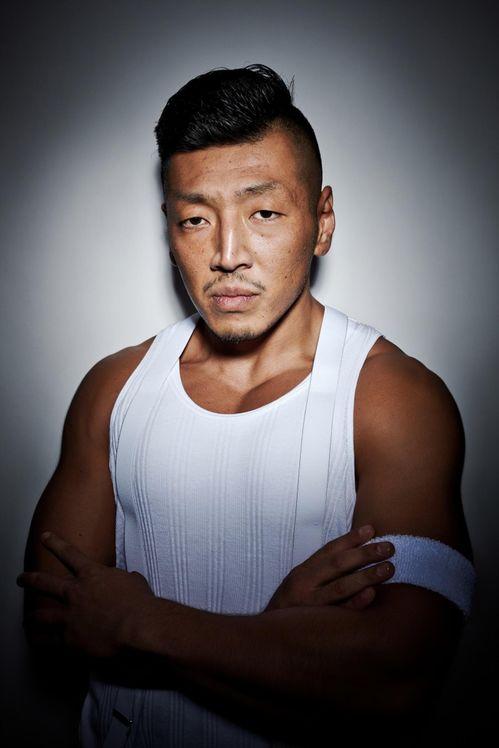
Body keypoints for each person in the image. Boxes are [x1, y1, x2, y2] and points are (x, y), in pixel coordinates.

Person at [18, 64, 476, 748]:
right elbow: (53, 629)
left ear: (321, 221)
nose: (227, 254)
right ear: (169, 228)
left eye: (263, 213)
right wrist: (278, 634)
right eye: (195, 219)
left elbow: (397, 680)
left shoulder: (392, 399)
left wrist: (143, 624)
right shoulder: (113, 388)